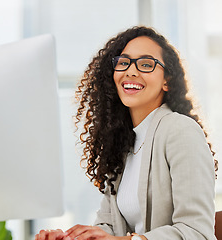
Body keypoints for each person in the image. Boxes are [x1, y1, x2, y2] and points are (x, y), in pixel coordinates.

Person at [35, 26, 218, 240]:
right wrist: (73, 237)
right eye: (123, 63)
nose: (131, 71)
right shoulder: (121, 143)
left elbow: (197, 232)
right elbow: (110, 226)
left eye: (146, 64)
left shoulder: (180, 131)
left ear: (166, 80)